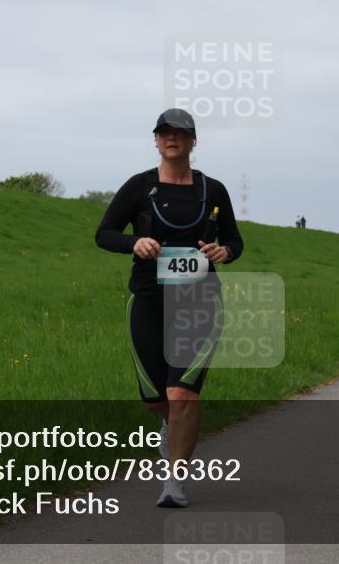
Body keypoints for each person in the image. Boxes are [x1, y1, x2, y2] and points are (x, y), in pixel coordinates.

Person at [95, 108, 243, 508]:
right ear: (156, 140)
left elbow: (235, 241)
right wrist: (133, 243)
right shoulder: (139, 187)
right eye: (164, 132)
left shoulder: (214, 190)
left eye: (179, 132)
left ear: (194, 140)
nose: (171, 138)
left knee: (182, 394)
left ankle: (174, 481)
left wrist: (224, 250)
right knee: (157, 400)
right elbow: (104, 233)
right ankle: (167, 425)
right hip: (147, 300)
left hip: (200, 302)